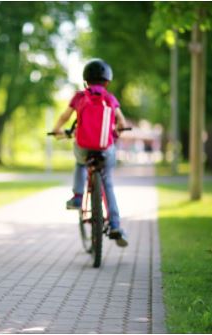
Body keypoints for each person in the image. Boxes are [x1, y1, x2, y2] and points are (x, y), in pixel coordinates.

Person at [52, 58, 129, 247]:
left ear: (86, 80)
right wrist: (118, 130)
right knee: (108, 183)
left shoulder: (79, 97)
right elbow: (122, 123)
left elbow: (65, 116)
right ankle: (116, 224)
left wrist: (57, 130)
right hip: (105, 148)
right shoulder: (110, 99)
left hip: (84, 146)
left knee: (80, 163)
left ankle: (78, 197)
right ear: (107, 81)